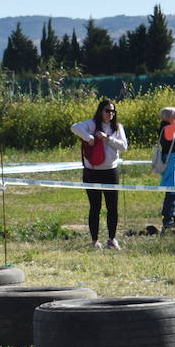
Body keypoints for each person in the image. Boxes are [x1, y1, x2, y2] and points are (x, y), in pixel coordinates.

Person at [70, 99, 129, 249]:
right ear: (100, 111)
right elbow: (75, 127)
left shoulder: (117, 127)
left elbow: (124, 146)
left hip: (111, 171)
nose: (110, 114)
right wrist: (89, 137)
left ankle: (112, 239)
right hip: (92, 172)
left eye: (113, 111)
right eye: (107, 111)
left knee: (112, 207)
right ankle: (94, 240)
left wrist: (107, 138)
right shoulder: (90, 124)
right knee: (95, 207)